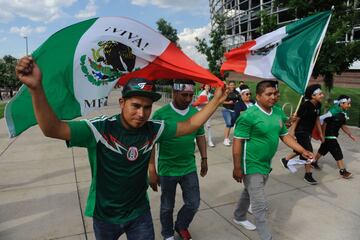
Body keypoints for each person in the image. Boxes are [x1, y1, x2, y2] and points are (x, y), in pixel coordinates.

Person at [15, 56, 228, 240]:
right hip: (105, 215)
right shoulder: (100, 128)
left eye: (147, 107)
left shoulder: (153, 129)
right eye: (135, 106)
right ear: (122, 103)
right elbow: (53, 128)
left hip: (139, 214)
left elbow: (190, 124)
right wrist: (36, 88)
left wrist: (216, 100)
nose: (142, 113)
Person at [232, 80, 313, 240]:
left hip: (265, 163)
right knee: (259, 205)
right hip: (250, 164)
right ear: (259, 96)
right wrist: (237, 167)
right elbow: (237, 142)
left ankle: (239, 216)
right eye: (269, 94)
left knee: (249, 192)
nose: (273, 97)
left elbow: (284, 135)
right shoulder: (248, 116)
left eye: (275, 93)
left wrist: (302, 150)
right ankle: (266, 236)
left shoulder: (276, 112)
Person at [149, 80, 208, 240]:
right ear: (174, 93)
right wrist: (152, 169)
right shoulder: (161, 115)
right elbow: (151, 143)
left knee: (193, 203)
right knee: (167, 206)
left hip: (188, 167)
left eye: (190, 95)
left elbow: (200, 135)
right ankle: (167, 234)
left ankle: (181, 225)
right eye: (184, 95)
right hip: (167, 170)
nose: (188, 99)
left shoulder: (195, 113)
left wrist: (204, 158)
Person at [281, 84, 324, 185]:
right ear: (313, 96)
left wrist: (321, 133)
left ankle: (285, 159)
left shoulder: (318, 105)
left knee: (300, 149)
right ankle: (308, 175)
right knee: (308, 152)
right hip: (301, 131)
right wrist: (291, 132)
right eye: (320, 94)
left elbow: (317, 119)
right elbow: (297, 120)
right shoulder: (305, 105)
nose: (322, 95)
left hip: (308, 131)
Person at [313, 95, 357, 178]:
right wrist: (322, 135)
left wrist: (350, 135)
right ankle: (343, 171)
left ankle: (313, 161)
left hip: (331, 136)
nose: (349, 105)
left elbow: (343, 126)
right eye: (348, 103)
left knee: (323, 149)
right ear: (341, 103)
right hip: (330, 136)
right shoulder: (333, 112)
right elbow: (324, 123)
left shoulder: (343, 114)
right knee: (337, 152)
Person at [222, 80, 239, 146]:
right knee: (228, 123)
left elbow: (239, 100)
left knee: (232, 124)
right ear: (228, 85)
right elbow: (221, 101)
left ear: (235, 85)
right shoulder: (226, 92)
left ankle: (227, 138)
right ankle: (225, 139)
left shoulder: (237, 92)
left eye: (233, 85)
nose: (232, 86)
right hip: (226, 109)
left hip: (234, 110)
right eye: (231, 85)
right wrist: (228, 103)